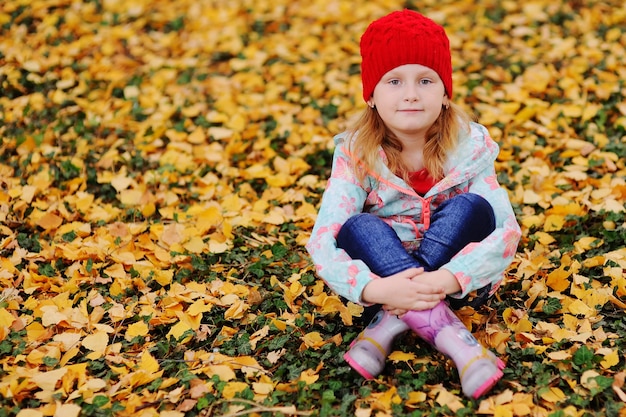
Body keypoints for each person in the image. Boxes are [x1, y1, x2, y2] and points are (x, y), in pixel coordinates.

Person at [305, 9, 522, 399]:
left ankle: (387, 326)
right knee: (359, 227)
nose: (410, 93)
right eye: (394, 81)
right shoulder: (356, 155)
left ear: (444, 93)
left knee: (471, 207)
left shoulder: (469, 148)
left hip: (457, 280)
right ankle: (458, 344)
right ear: (371, 95)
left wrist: (446, 279)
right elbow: (323, 238)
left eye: (425, 80)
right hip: (384, 279)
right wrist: (375, 290)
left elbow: (506, 230)